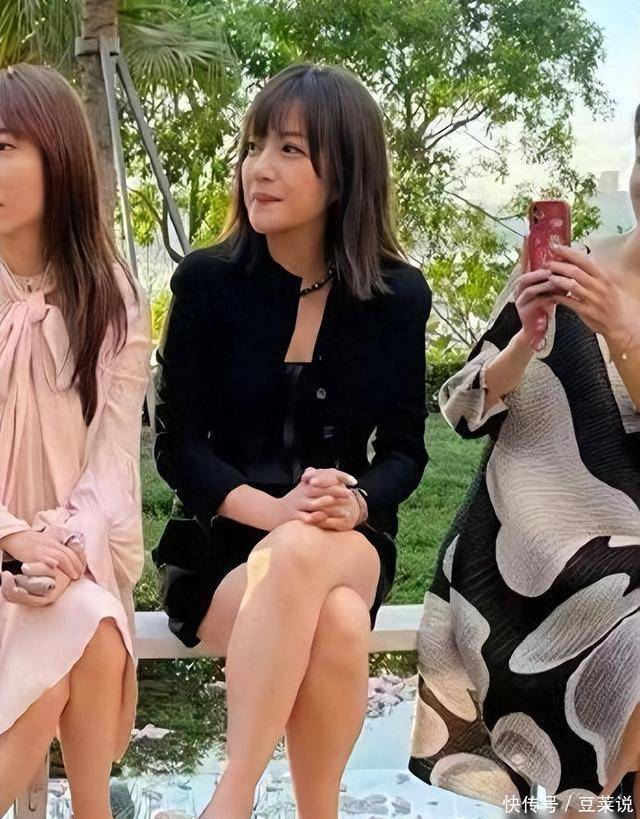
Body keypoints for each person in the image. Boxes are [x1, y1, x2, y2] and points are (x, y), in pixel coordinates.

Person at [153, 62, 431, 819]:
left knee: (311, 552)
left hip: (347, 539)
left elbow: (405, 451)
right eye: (253, 146)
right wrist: (276, 512)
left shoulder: (396, 296)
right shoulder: (207, 283)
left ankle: (231, 799)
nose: (259, 169)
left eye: (289, 150)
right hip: (224, 552)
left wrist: (356, 499)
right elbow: (178, 447)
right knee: (336, 615)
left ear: (345, 173)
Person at [409, 106, 640, 817]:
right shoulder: (577, 265)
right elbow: (462, 410)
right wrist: (522, 341)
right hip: (523, 552)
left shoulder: (606, 298)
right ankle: (602, 799)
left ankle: (598, 799)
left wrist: (623, 333)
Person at [0, 64, 152, 818]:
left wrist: (56, 548)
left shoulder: (113, 297)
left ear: (56, 156)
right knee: (81, 627)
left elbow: (112, 464)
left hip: (70, 554)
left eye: (2, 146)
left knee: (86, 618)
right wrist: (11, 540)